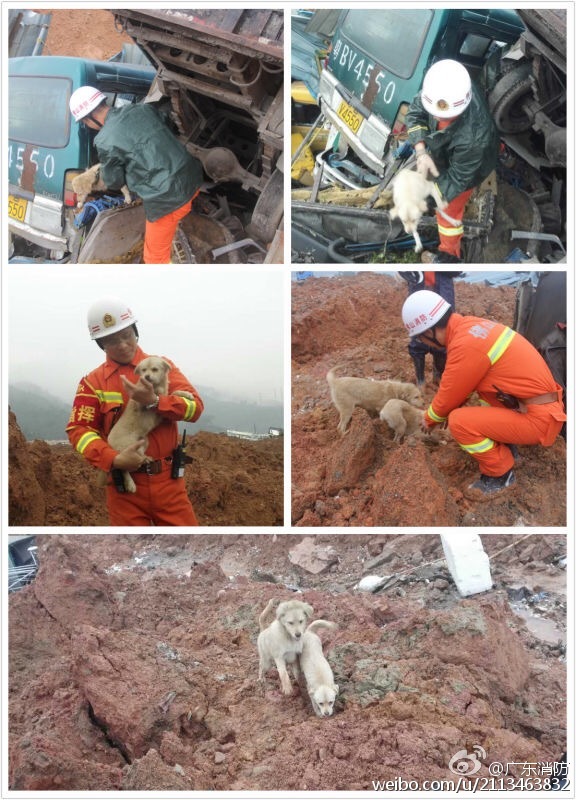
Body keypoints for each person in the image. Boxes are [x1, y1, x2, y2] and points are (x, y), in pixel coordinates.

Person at [401, 290, 566, 496]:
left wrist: (430, 418)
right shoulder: (471, 327)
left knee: (460, 421)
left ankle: (499, 474)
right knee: (485, 398)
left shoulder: (465, 345)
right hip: (539, 407)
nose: (424, 344)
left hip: (539, 419)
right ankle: (507, 445)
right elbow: (465, 386)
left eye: (422, 339)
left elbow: (448, 395)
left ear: (429, 331)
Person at [66, 297, 204, 525]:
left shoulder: (161, 365)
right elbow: (79, 430)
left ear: (135, 332)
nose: (122, 345)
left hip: (169, 484)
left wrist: (156, 401)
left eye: (126, 335)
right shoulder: (93, 382)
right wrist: (115, 458)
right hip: (123, 490)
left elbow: (195, 409)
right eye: (111, 341)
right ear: (101, 345)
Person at [69, 87, 203, 264]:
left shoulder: (104, 140)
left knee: (154, 259)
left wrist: (101, 173)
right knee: (169, 229)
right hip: (193, 177)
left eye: (85, 123)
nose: (88, 126)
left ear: (88, 118)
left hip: (168, 199)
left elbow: (114, 181)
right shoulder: (142, 109)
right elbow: (164, 125)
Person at [404, 59, 499, 264]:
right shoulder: (441, 86)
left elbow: (457, 179)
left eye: (443, 114)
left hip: (472, 167)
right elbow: (415, 114)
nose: (436, 115)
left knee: (448, 211)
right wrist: (421, 152)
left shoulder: (475, 138)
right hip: (447, 151)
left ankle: (449, 257)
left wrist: (426, 201)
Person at [400, 270, 461, 385]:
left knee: (443, 327)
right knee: (419, 328)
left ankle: (438, 378)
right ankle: (420, 382)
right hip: (419, 278)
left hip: (442, 277)